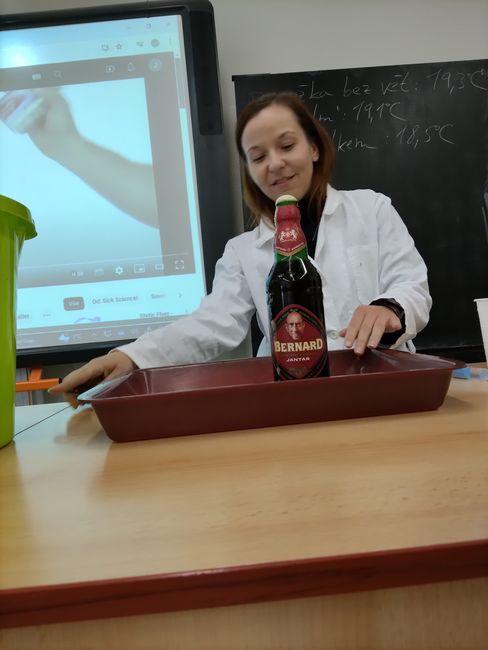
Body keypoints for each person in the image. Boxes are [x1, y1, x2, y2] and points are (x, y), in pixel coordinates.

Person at [50, 91, 432, 406]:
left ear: (314, 147)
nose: (275, 164)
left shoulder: (371, 209)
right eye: (258, 156)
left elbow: (412, 286)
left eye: (287, 145)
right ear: (249, 170)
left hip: (380, 391)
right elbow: (211, 324)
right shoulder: (242, 250)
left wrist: (389, 308)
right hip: (291, 400)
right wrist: (130, 357)